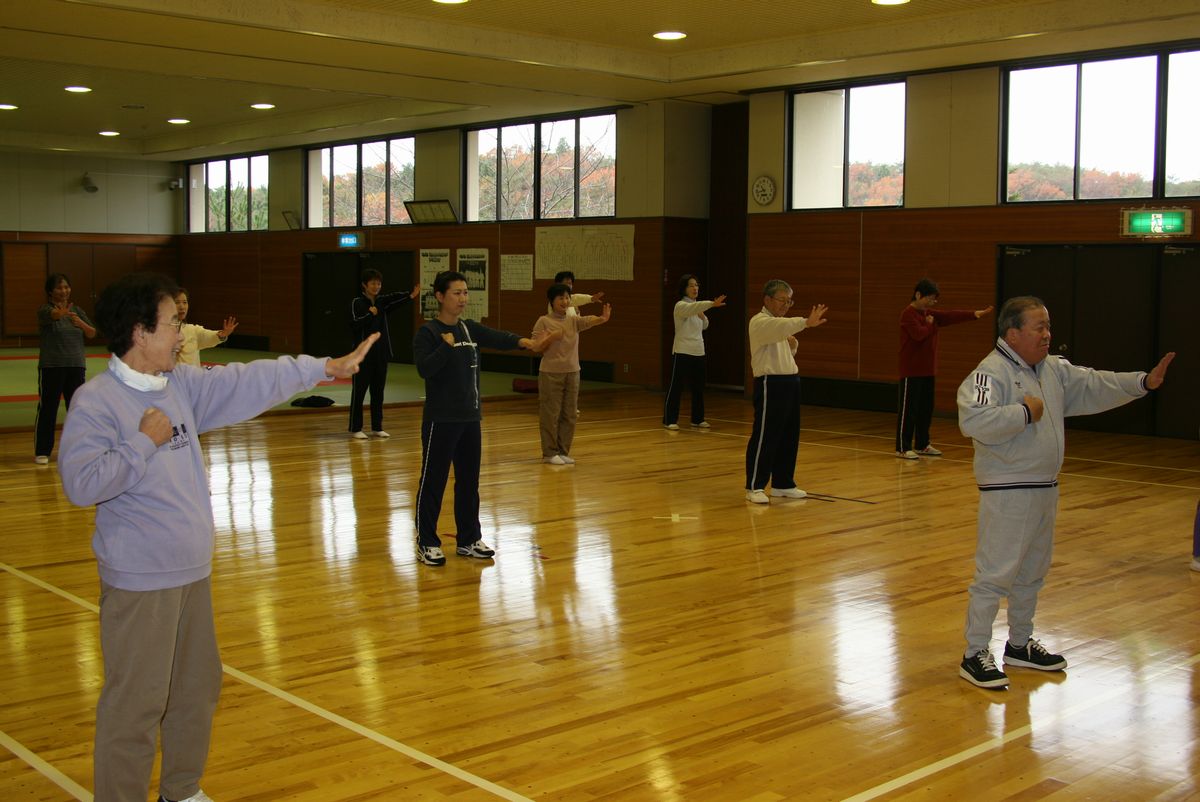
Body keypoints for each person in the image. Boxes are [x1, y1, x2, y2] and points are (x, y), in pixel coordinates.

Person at [57, 271, 377, 802]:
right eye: (172, 324)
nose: (181, 335)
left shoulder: (178, 384)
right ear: (139, 332)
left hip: (192, 574)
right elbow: (82, 483)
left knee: (195, 690)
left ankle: (180, 789)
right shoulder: (98, 401)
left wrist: (323, 368)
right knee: (135, 702)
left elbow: (244, 382)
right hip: (141, 582)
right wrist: (141, 443)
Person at [956, 295, 1175, 689]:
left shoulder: (1051, 370)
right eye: (1038, 327)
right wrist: (1024, 413)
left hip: (1045, 487)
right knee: (996, 574)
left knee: (1031, 573)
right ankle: (975, 652)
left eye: (1048, 326)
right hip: (1009, 490)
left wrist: (1141, 382)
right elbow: (974, 419)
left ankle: (1019, 644)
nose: (1047, 334)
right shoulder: (990, 373)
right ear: (1013, 332)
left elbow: (1094, 383)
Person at [413, 270, 555, 566]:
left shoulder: (468, 329)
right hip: (441, 419)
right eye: (456, 293)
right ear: (440, 296)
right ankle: (427, 541)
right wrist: (444, 346)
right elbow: (425, 369)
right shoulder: (428, 333)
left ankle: (468, 539)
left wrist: (527, 343)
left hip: (470, 419)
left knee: (468, 482)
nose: (463, 299)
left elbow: (499, 338)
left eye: (465, 293)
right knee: (434, 481)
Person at [744, 280, 828, 504]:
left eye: (789, 301)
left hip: (790, 381)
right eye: (783, 300)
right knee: (766, 434)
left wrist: (793, 345)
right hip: (770, 383)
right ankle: (755, 485)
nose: (786, 305)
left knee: (789, 435)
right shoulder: (760, 321)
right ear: (767, 299)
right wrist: (805, 323)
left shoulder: (779, 325)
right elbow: (780, 329)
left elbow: (785, 349)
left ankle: (783, 483)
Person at [896, 278, 992, 459]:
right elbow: (918, 335)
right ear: (918, 295)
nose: (933, 302)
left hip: (928, 370)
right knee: (908, 410)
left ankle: (922, 444)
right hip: (911, 371)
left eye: (934, 299)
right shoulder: (908, 314)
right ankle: (902, 447)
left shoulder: (929, 314)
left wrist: (974, 314)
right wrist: (930, 325)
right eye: (930, 298)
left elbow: (950, 316)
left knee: (926, 409)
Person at [534, 283, 611, 464]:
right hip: (550, 373)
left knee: (569, 414)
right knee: (550, 414)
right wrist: (550, 337)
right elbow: (536, 346)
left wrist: (602, 318)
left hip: (573, 372)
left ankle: (563, 451)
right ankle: (549, 453)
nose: (565, 301)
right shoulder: (543, 321)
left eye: (567, 297)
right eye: (560, 298)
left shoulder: (572, 319)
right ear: (552, 301)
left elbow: (586, 321)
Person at [348, 268, 419, 439]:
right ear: (364, 285)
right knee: (359, 392)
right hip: (362, 356)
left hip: (381, 354)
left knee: (378, 392)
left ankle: (377, 427)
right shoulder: (357, 302)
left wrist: (410, 296)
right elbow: (354, 325)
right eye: (373, 283)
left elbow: (395, 299)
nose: (376, 286)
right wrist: (369, 315)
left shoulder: (381, 302)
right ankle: (355, 428)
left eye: (379, 283)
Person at [34, 272, 96, 464]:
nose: (64, 291)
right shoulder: (45, 310)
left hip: (76, 366)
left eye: (66, 287)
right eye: (59, 287)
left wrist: (81, 323)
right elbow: (52, 315)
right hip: (52, 367)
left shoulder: (77, 310)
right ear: (50, 291)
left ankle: (78, 450)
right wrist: (60, 313)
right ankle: (43, 451)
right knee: (48, 409)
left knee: (77, 410)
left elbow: (92, 333)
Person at [663, 274, 725, 430]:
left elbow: (705, 325)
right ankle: (669, 419)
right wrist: (711, 304)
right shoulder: (681, 305)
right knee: (676, 386)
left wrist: (703, 315)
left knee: (698, 387)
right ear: (684, 288)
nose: (695, 288)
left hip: (698, 350)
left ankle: (697, 419)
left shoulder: (698, 307)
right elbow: (692, 308)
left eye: (696, 285)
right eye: (691, 285)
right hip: (682, 350)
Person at [173, 288, 238, 368]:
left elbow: (208, 336)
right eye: (177, 302)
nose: (182, 307)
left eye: (185, 302)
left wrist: (222, 335)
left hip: (192, 379)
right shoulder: (159, 331)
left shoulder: (193, 330)